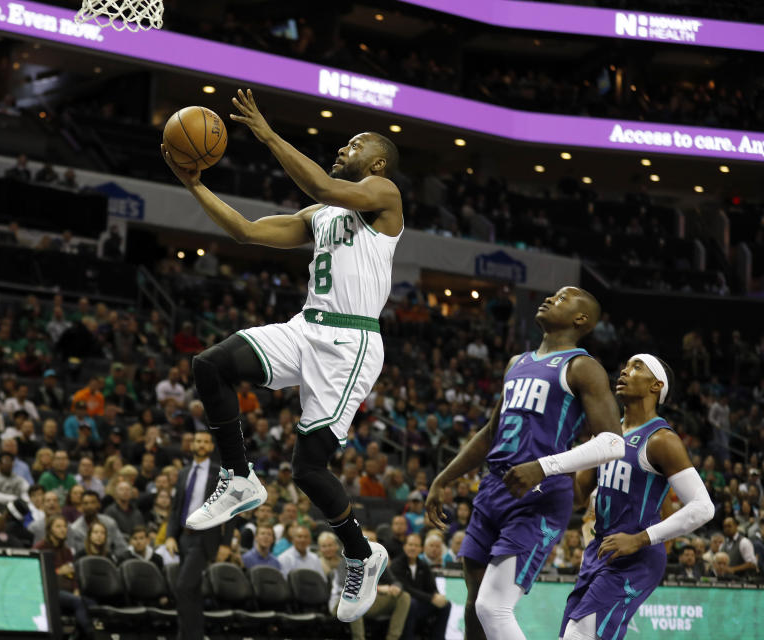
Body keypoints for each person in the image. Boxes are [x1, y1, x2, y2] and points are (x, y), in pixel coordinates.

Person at [163, 87, 403, 623]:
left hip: (351, 344)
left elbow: (321, 180)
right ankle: (239, 475)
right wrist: (195, 185)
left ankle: (363, 553)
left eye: (354, 144)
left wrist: (266, 133)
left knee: (308, 469)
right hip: (306, 326)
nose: (345, 148)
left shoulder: (383, 194)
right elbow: (247, 231)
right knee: (211, 363)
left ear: (378, 162)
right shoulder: (321, 212)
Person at [425, 287, 626, 640]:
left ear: (581, 319)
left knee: (493, 606)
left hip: (539, 496)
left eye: (563, 298)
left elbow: (612, 442)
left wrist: (543, 466)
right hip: (493, 488)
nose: (550, 299)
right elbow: (490, 432)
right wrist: (444, 478)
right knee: (475, 603)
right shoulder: (517, 362)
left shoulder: (583, 367)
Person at [560, 355, 714, 640]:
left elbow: (703, 508)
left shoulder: (661, 440)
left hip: (637, 554)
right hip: (601, 549)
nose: (624, 371)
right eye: (625, 366)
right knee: (570, 634)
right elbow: (580, 496)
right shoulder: (607, 433)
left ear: (656, 386)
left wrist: (639, 539)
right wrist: (566, 448)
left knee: (578, 634)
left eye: (636, 367)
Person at [164, 432, 235, 640]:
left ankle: (184, 635)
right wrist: (170, 536)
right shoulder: (184, 472)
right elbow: (176, 508)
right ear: (191, 444)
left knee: (183, 586)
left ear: (212, 447)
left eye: (205, 442)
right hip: (183, 537)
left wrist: (226, 543)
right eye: (198, 441)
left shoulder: (221, 473)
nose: (201, 445)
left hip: (205, 537)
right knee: (192, 592)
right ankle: (195, 635)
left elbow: (231, 509)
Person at [33, 515, 94, 639]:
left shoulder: (66, 551)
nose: (63, 529)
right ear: (50, 530)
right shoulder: (40, 549)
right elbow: (34, 575)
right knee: (78, 602)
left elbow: (73, 574)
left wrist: (76, 588)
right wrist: (57, 572)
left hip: (68, 591)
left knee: (91, 603)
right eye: (58, 526)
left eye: (65, 526)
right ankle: (92, 635)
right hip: (50, 592)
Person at [392, 533, 451, 640]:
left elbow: (431, 587)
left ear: (421, 549)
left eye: (416, 545)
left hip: (420, 603)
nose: (413, 548)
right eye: (410, 545)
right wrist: (431, 598)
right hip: (402, 604)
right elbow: (406, 589)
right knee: (412, 603)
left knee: (446, 604)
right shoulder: (397, 564)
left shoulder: (423, 565)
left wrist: (438, 596)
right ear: (404, 547)